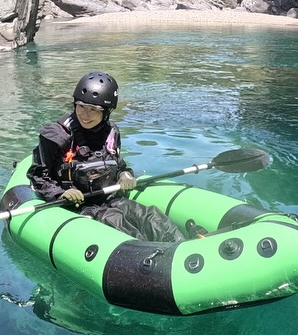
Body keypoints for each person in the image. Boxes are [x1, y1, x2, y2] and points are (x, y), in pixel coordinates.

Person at [28, 71, 184, 244]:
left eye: (93, 110)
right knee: (116, 222)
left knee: (151, 217)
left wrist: (124, 175)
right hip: (79, 207)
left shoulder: (111, 133)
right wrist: (62, 193)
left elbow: (118, 165)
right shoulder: (57, 136)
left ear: (107, 112)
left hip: (110, 198)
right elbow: (38, 176)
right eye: (81, 106)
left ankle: (181, 246)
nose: (85, 115)